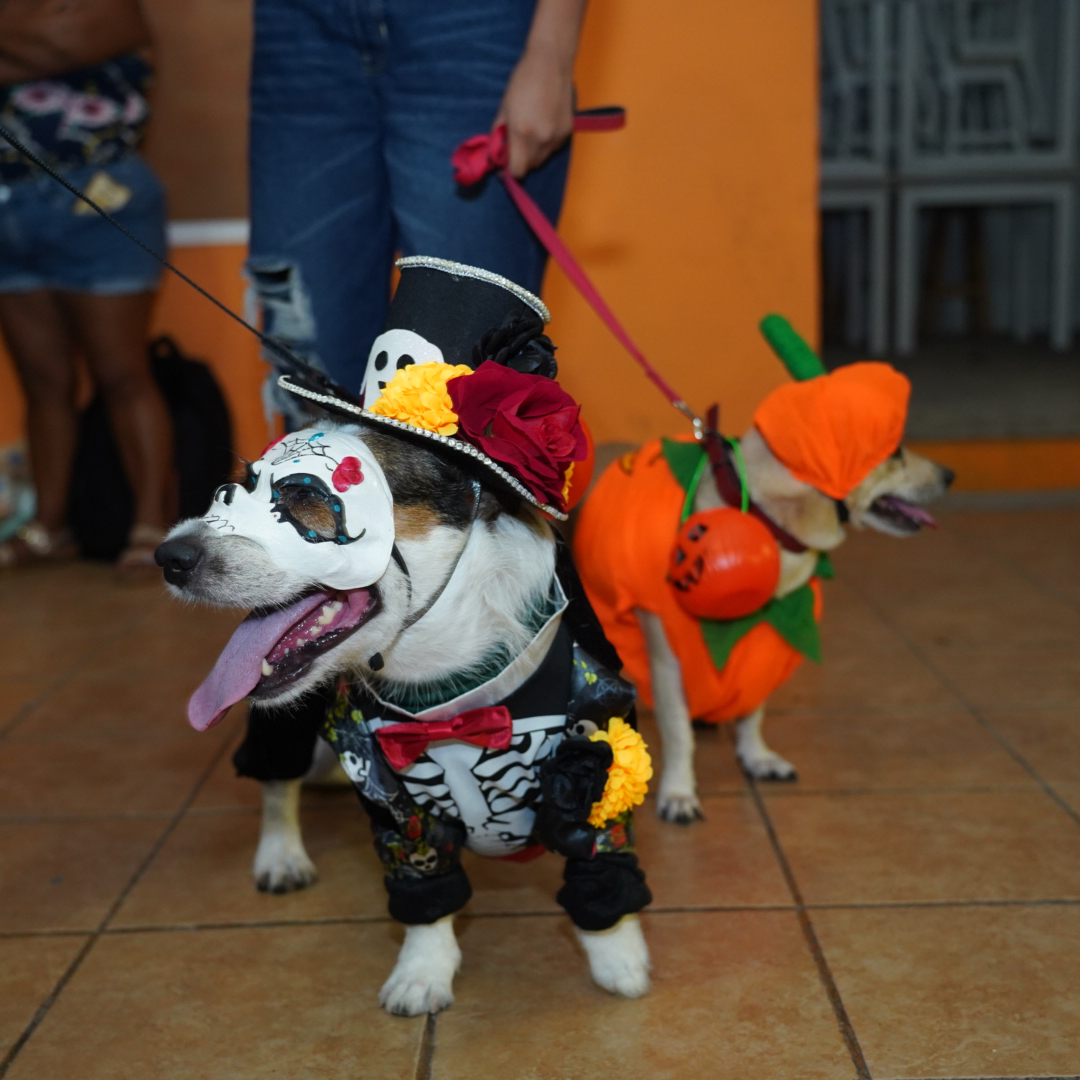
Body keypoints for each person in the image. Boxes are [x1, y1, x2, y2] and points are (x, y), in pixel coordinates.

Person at [247, 0, 588, 410]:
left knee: (465, 380)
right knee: (311, 368)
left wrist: (551, 49)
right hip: (299, 27)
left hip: (476, 26)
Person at [0, 0, 174, 577]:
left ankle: (150, 527)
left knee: (122, 372)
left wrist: (38, 46)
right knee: (42, 381)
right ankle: (49, 527)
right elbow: (48, 45)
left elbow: (63, 43)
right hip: (8, 207)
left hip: (100, 199)